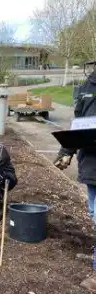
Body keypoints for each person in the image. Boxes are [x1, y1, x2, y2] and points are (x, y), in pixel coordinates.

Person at [53, 69, 96, 291]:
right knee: (94, 213)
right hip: (91, 164)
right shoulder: (89, 85)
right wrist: (66, 151)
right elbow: (80, 122)